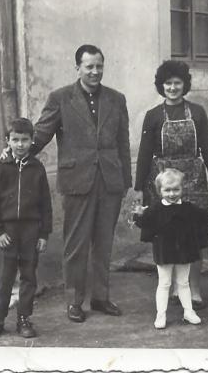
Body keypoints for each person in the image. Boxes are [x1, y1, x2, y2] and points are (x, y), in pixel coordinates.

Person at [31, 44, 132, 323]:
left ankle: (100, 297)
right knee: (75, 244)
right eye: (89, 66)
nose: (95, 71)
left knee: (104, 243)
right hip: (77, 180)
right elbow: (41, 133)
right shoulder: (61, 98)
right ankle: (74, 301)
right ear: (78, 68)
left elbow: (123, 141)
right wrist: (19, 153)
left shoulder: (116, 99)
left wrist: (126, 180)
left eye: (99, 66)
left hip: (110, 181)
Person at [133, 60, 208, 309]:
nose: (173, 88)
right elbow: (144, 153)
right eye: (168, 83)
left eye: (177, 83)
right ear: (161, 86)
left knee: (195, 234)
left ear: (185, 85)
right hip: (163, 181)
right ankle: (173, 287)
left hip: (193, 179)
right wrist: (139, 187)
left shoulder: (197, 112)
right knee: (168, 235)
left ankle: (193, 290)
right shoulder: (152, 117)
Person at [0, 118, 52, 339]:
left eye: (25, 140)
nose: (20, 144)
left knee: (29, 276)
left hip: (30, 231)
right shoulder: (0, 168)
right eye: (15, 140)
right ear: (7, 141)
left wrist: (43, 234)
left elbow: (45, 204)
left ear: (32, 141)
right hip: (7, 232)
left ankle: (24, 318)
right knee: (3, 276)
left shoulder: (38, 169)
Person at [132, 169, 208, 329]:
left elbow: (202, 216)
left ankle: (188, 312)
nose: (172, 194)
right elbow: (143, 224)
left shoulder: (188, 208)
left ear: (182, 189)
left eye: (176, 189)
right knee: (164, 283)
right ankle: (160, 315)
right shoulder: (155, 210)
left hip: (184, 250)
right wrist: (139, 215)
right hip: (164, 252)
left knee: (183, 282)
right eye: (167, 190)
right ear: (159, 190)